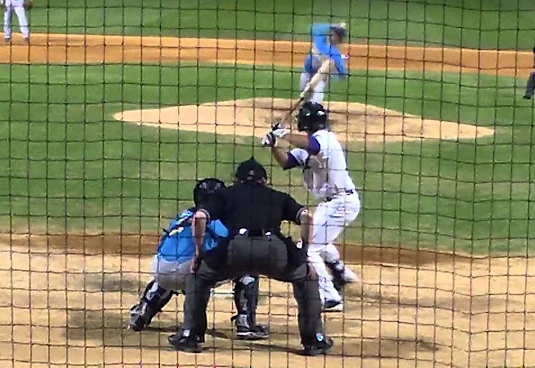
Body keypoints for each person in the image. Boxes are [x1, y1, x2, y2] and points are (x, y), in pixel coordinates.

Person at [168, 158, 332, 356]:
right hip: (273, 250)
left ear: (237, 180)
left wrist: (199, 254)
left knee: (198, 277)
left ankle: (189, 336)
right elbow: (307, 217)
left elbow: (200, 217)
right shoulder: (277, 196)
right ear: (264, 181)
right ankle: (314, 340)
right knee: (306, 278)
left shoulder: (225, 194)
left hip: (235, 249)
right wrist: (303, 255)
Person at [127, 178, 268, 340]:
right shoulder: (220, 218)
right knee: (248, 266)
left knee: (172, 269)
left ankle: (142, 313)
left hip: (160, 270)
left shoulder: (183, 214)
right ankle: (246, 324)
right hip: (192, 275)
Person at [262, 101, 361, 312]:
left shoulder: (324, 139)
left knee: (308, 250)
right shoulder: (309, 143)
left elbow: (312, 146)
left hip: (342, 202)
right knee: (318, 238)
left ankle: (331, 298)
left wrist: (282, 134)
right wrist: (273, 145)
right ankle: (339, 271)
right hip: (330, 204)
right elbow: (286, 162)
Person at [299, 22, 349, 105]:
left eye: (337, 35)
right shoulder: (320, 38)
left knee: (316, 96)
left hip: (320, 78)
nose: (334, 36)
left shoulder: (335, 54)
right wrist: (331, 25)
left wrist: (330, 74)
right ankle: (304, 111)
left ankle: (315, 110)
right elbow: (313, 28)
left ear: (340, 39)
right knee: (303, 95)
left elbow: (343, 74)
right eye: (334, 33)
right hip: (307, 72)